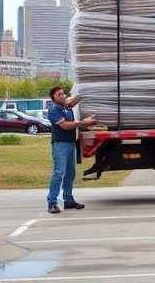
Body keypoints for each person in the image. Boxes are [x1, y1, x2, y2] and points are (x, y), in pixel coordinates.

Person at [46, 86, 96, 214]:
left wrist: (88, 88)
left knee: (70, 174)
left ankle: (68, 200)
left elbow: (75, 100)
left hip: (71, 144)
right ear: (53, 98)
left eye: (63, 94)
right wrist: (84, 122)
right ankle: (52, 202)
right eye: (59, 94)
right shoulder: (54, 110)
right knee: (58, 173)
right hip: (60, 146)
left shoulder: (66, 107)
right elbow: (66, 126)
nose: (62, 96)